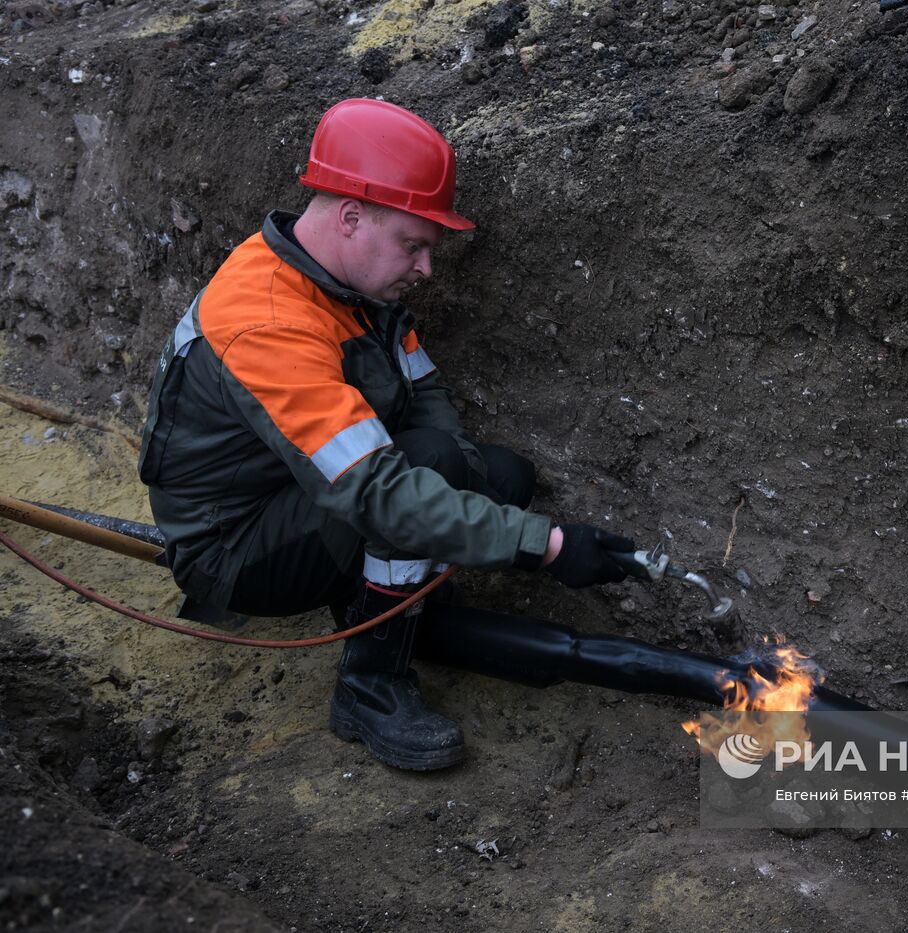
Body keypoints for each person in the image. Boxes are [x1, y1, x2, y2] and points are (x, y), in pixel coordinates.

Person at [138, 98, 634, 771]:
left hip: (300, 490)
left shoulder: (355, 287)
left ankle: (395, 603)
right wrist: (542, 546)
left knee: (496, 473)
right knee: (423, 480)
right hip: (234, 542)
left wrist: (464, 483)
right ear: (351, 216)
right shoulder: (266, 320)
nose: (426, 267)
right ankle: (369, 687)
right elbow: (376, 489)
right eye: (415, 243)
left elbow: (423, 389)